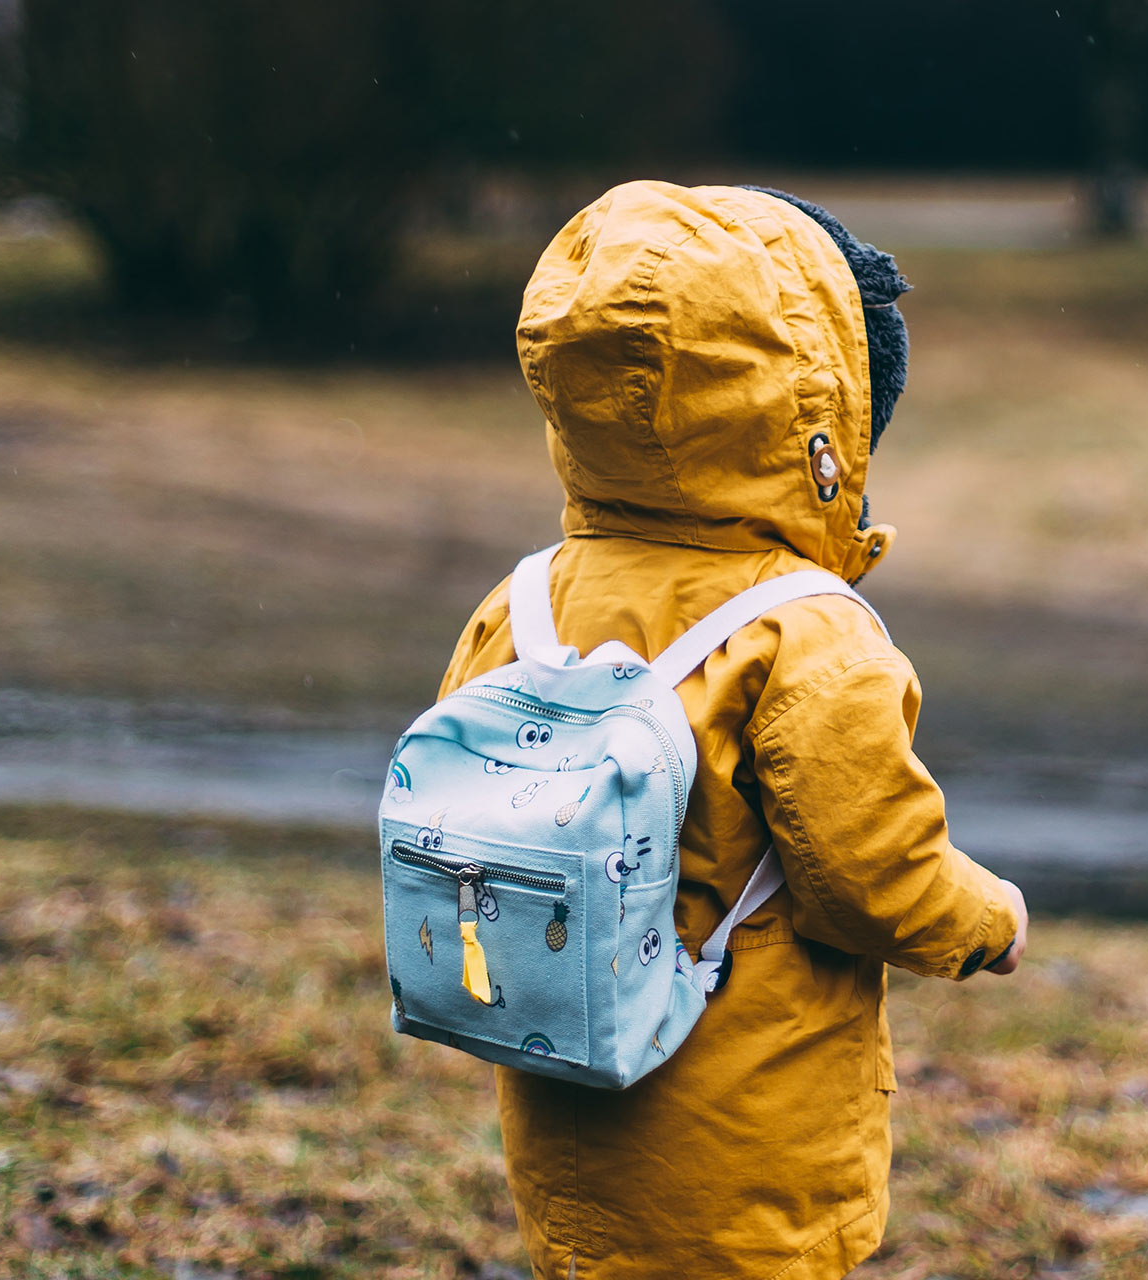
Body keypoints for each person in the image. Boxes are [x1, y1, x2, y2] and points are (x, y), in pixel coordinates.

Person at [436, 179, 1028, 1280]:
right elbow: (871, 874)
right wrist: (987, 918)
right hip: (747, 1141)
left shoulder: (525, 603)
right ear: (817, 412)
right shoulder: (804, 633)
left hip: (568, 1112)